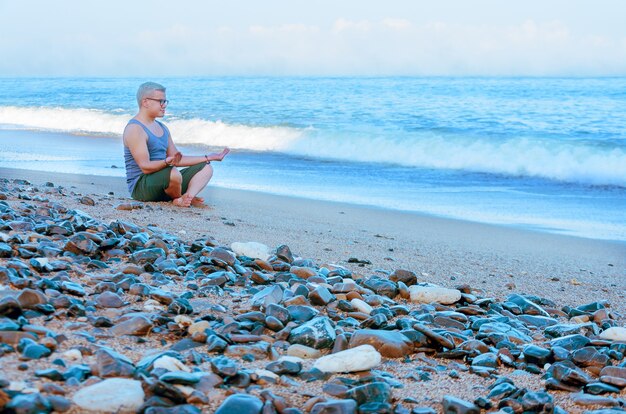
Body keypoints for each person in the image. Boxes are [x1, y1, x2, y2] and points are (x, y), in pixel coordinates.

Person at [123, 82, 229, 207]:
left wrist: (208, 157)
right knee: (173, 173)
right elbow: (145, 167)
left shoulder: (163, 128)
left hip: (167, 182)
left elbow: (177, 160)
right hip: (142, 187)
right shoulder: (135, 129)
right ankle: (177, 199)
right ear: (145, 102)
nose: (164, 106)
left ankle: (186, 197)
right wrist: (167, 162)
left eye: (165, 101)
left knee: (206, 167)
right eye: (160, 101)